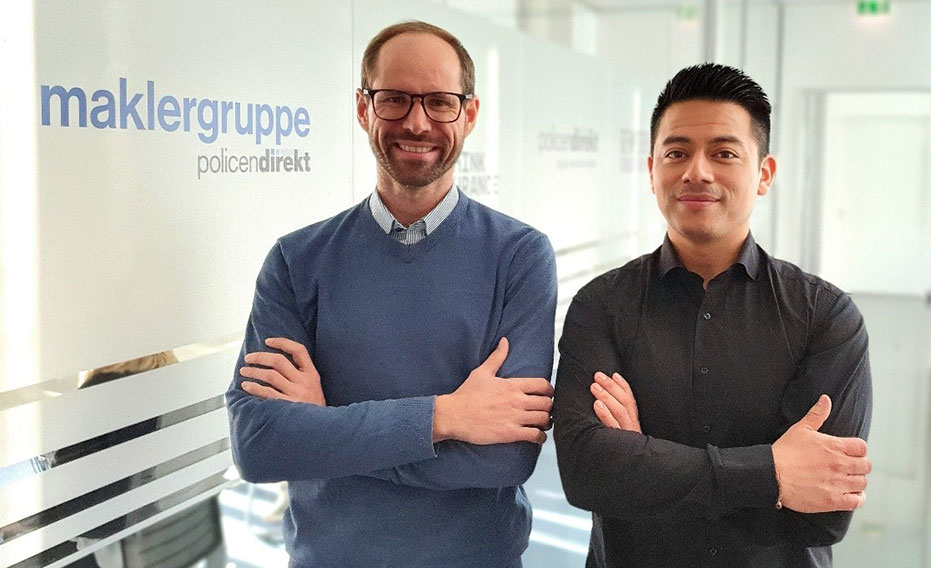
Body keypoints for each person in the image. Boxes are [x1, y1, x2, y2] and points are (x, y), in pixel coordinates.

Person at [225, 20, 557, 568]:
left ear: (469, 115)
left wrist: (327, 428)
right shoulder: (296, 261)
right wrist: (444, 417)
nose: (417, 122)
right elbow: (259, 444)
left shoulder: (519, 257)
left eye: (440, 102)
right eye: (395, 99)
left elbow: (508, 455)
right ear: (364, 109)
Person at [553, 63, 873, 568]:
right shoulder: (601, 305)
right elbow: (587, 473)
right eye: (676, 153)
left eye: (724, 153)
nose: (696, 172)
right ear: (652, 170)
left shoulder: (825, 317)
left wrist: (643, 462)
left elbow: (823, 515)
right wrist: (773, 474)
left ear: (764, 174)